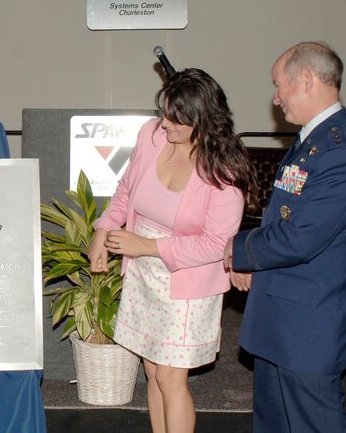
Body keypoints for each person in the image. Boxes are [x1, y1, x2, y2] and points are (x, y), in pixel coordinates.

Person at [88, 68, 257, 433]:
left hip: (189, 281)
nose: (163, 123)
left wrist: (146, 246)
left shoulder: (223, 172)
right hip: (144, 273)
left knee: (170, 376)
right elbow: (126, 190)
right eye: (163, 112)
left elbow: (214, 244)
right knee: (152, 370)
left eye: (174, 118)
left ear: (201, 120)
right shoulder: (151, 136)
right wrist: (103, 229)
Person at [224, 42, 346, 432]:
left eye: (278, 85)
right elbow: (282, 216)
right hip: (282, 321)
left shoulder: (339, 151)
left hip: (309, 332)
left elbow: (302, 237)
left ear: (305, 81)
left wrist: (239, 250)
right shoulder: (311, 141)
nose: (276, 97)